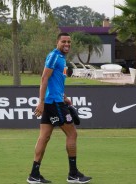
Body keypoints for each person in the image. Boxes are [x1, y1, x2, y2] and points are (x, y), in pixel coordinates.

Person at [27, 32, 92, 184]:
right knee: (72, 134)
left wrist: (64, 97)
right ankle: (73, 174)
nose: (67, 44)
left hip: (56, 100)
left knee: (44, 137)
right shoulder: (55, 56)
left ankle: (34, 174)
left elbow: (54, 83)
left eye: (69, 42)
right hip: (53, 103)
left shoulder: (61, 59)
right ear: (57, 42)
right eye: (64, 41)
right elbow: (44, 78)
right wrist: (41, 102)